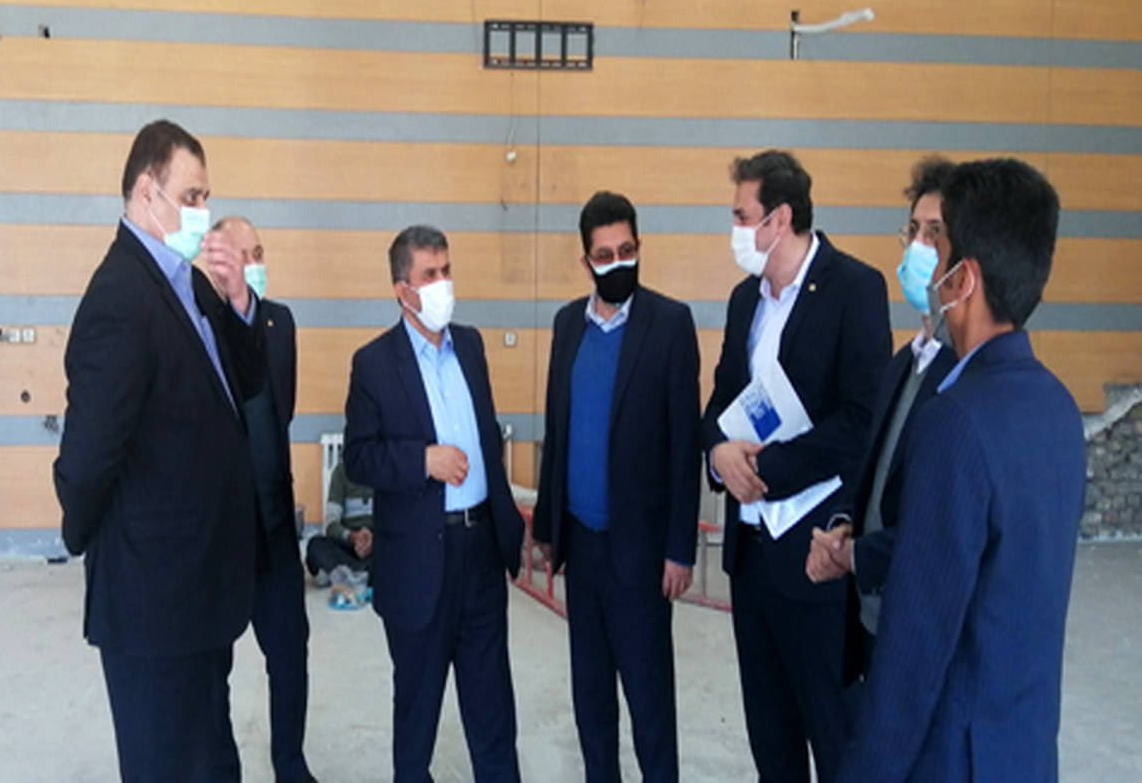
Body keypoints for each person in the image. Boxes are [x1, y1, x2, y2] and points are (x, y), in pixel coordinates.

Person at [836, 158, 1085, 783]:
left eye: (938, 246)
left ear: (963, 278)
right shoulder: (1056, 406)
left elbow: (917, 643)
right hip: (1023, 751)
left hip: (952, 756)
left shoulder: (954, 420)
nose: (924, 262)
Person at [54, 120, 264, 782]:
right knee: (166, 765)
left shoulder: (189, 284)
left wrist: (239, 302)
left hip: (202, 589)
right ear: (147, 191)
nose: (203, 212)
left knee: (211, 758)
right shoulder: (120, 298)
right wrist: (88, 535)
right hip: (154, 598)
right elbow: (88, 459)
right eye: (192, 195)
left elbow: (244, 385)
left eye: (206, 197)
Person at [701, 150, 891, 783]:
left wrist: (768, 470)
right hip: (751, 559)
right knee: (772, 743)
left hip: (817, 557)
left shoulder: (855, 289)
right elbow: (720, 404)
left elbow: (862, 419)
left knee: (835, 740)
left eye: (741, 215)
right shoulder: (743, 300)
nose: (734, 229)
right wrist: (718, 454)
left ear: (779, 219)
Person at [343, 225, 525, 782]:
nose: (444, 284)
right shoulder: (374, 363)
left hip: (480, 551)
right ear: (403, 290)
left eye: (447, 270)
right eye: (430, 275)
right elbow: (359, 457)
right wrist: (422, 460)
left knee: (493, 712)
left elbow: (487, 436)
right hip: (419, 563)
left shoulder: (470, 346)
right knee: (417, 715)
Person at [533, 191, 701, 782]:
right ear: (586, 262)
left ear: (639, 247)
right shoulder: (566, 326)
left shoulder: (670, 325)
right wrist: (548, 529)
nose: (617, 262)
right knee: (591, 701)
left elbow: (685, 445)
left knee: (650, 706)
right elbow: (557, 431)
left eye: (626, 250)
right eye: (604, 255)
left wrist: (680, 549)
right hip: (582, 550)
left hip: (642, 554)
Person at [803, 157, 959, 684]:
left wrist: (856, 556)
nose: (919, 246)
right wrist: (845, 526)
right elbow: (876, 479)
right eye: (913, 230)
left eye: (935, 232)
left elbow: (943, 526)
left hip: (923, 630)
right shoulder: (900, 365)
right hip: (872, 620)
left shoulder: (967, 381)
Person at [216, 216, 317, 783]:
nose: (256, 263)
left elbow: (284, 409)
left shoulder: (280, 322)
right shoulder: (198, 324)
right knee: (214, 666)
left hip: (275, 528)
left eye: (259, 252)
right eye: (245, 254)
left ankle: (290, 763)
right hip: (221, 539)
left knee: (290, 653)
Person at [305, 460, 375, 585]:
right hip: (348, 543)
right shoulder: (341, 472)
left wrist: (373, 540)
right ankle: (362, 573)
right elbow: (331, 524)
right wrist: (353, 537)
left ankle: (345, 573)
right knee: (315, 545)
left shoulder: (386, 471)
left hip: (378, 544)